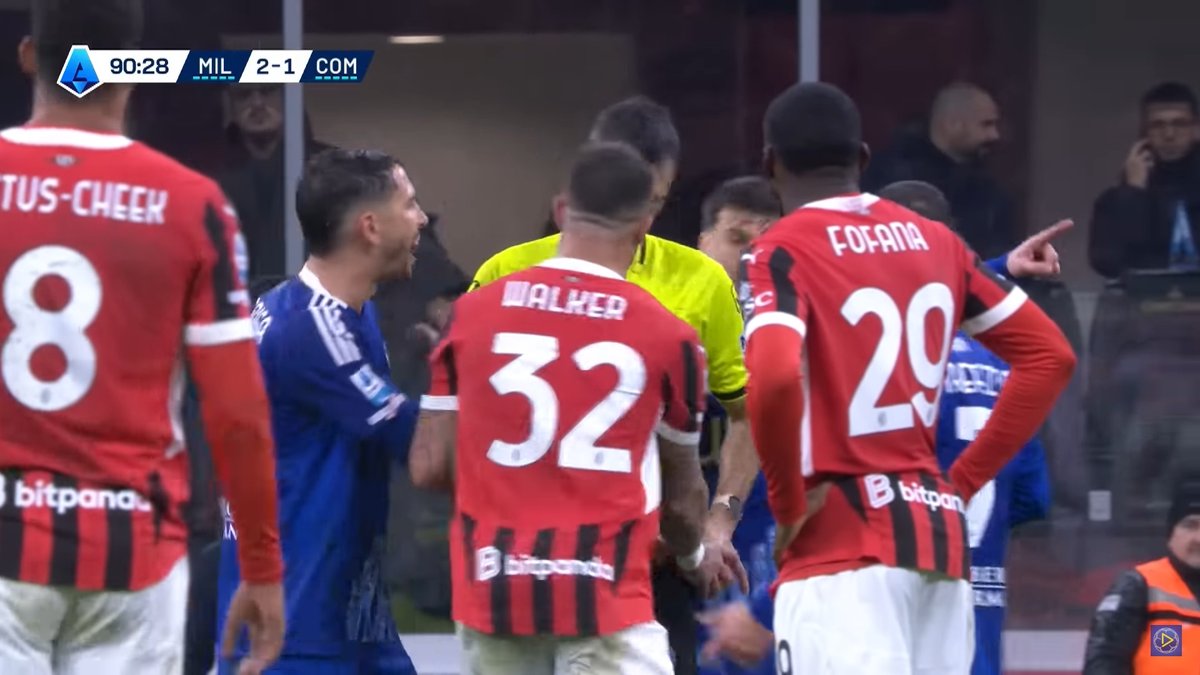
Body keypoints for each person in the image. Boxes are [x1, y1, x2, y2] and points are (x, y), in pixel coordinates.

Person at [742, 82, 1075, 673]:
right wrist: (959, 485)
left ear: (770, 164)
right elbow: (1051, 357)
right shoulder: (937, 241)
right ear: (863, 158)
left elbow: (771, 377)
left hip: (840, 549)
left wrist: (788, 503)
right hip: (938, 548)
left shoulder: (781, 248)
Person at [0, 1, 286, 674]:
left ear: (29, 58)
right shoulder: (193, 204)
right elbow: (237, 411)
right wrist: (261, 564)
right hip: (133, 547)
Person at [409, 142, 733, 674]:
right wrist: (695, 557)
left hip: (495, 588)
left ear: (561, 211)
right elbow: (680, 502)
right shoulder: (668, 336)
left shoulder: (471, 314)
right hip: (606, 594)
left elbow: (428, 467)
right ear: (644, 226)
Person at [216, 149, 426, 674]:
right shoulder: (311, 328)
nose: (422, 219)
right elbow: (412, 438)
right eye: (410, 204)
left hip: (351, 620)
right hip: (298, 630)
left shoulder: (337, 311)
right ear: (370, 227)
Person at [862, 82, 1016, 260]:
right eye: (986, 124)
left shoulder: (988, 189)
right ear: (953, 124)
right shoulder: (891, 176)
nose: (994, 135)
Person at [1083, 475, 1200, 673]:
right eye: (1190, 525)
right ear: (1171, 533)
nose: (1198, 538)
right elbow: (1104, 662)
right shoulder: (1139, 586)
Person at [1089, 82, 1200, 279]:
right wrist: (1133, 193)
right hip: (1142, 297)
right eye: (1158, 125)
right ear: (1144, 133)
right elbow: (1108, 260)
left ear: (1196, 128)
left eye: (1180, 124)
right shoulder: (1116, 199)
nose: (1169, 134)